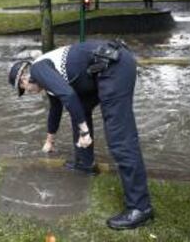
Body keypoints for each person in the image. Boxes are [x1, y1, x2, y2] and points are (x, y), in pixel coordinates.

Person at [8, 40, 153, 230]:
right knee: (81, 109)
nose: (29, 93)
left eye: (24, 90)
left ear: (23, 80)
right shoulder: (48, 76)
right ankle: (85, 164)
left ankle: (140, 207)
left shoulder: (37, 69)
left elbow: (68, 95)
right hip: (101, 69)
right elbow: (56, 110)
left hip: (114, 67)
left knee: (119, 137)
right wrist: (49, 141)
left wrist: (85, 132)